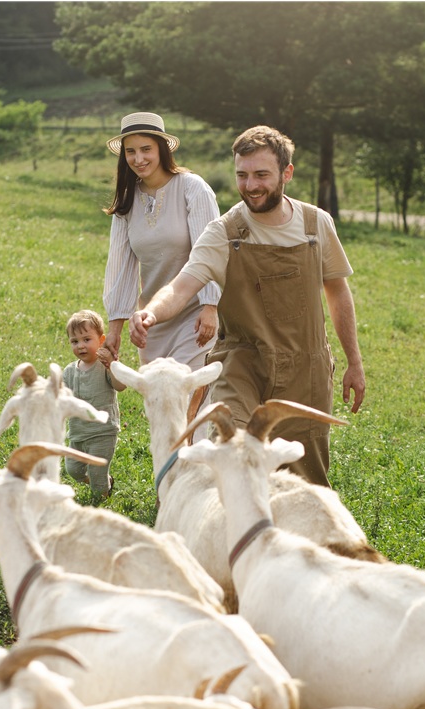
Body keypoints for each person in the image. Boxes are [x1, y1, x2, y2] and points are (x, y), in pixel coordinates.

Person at [129, 125, 366, 487]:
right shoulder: (224, 232)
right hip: (242, 363)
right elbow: (182, 286)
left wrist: (354, 362)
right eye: (242, 175)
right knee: (230, 452)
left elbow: (337, 291)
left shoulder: (316, 225)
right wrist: (152, 311)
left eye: (261, 175)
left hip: (307, 368)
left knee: (303, 480)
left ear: (286, 173)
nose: (251, 185)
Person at [102, 111, 221, 373]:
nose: (139, 158)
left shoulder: (193, 188)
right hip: (152, 322)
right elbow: (120, 267)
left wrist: (210, 305)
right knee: (159, 401)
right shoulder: (127, 200)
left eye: (146, 149)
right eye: (131, 151)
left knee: (188, 398)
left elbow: (211, 250)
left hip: (196, 315)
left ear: (162, 149)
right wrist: (115, 330)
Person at [63, 309, 125, 499]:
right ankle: (104, 482)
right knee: (73, 469)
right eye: (75, 341)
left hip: (102, 432)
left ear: (101, 339)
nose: (80, 345)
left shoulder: (104, 366)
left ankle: (102, 498)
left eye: (86, 339)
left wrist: (112, 366)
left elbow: (120, 386)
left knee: (97, 477)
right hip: (78, 433)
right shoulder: (69, 371)